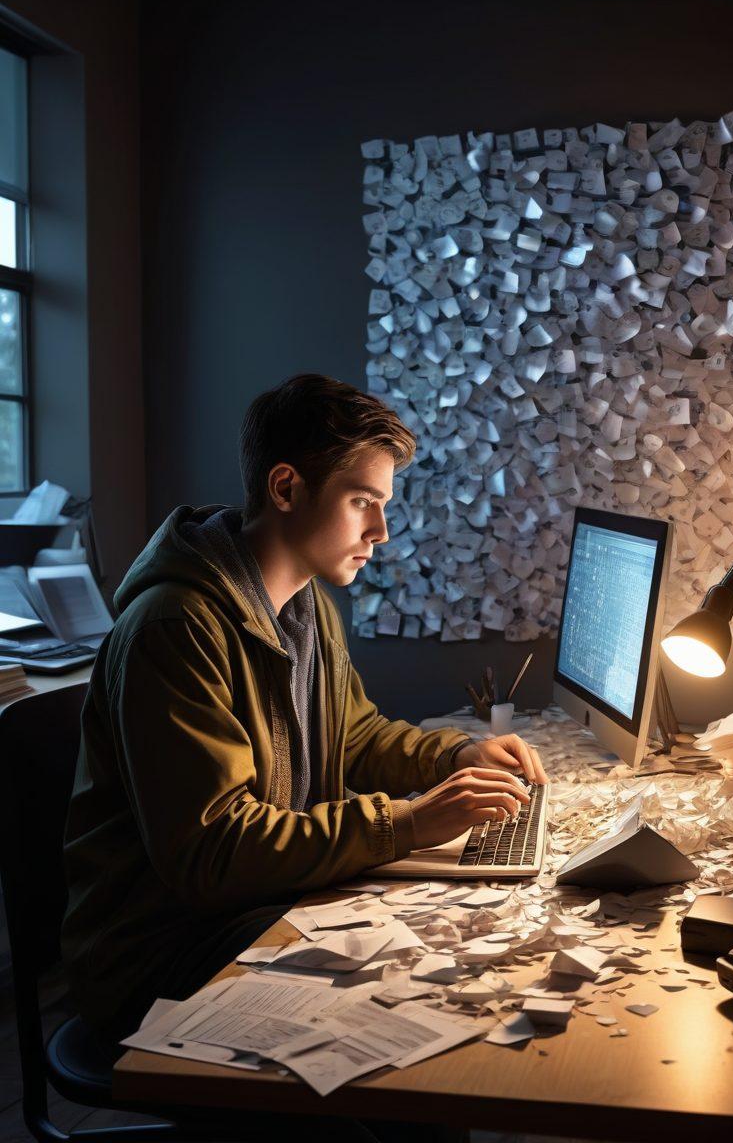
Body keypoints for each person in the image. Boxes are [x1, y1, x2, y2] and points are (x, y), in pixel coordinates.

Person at [62, 373, 546, 1042]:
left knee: (443, 982)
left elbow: (352, 736)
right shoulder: (175, 628)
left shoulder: (306, 603)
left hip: (256, 906)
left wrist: (455, 754)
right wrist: (406, 822)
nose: (380, 530)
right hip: (161, 952)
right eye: (361, 502)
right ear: (286, 488)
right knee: (411, 1008)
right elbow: (214, 852)